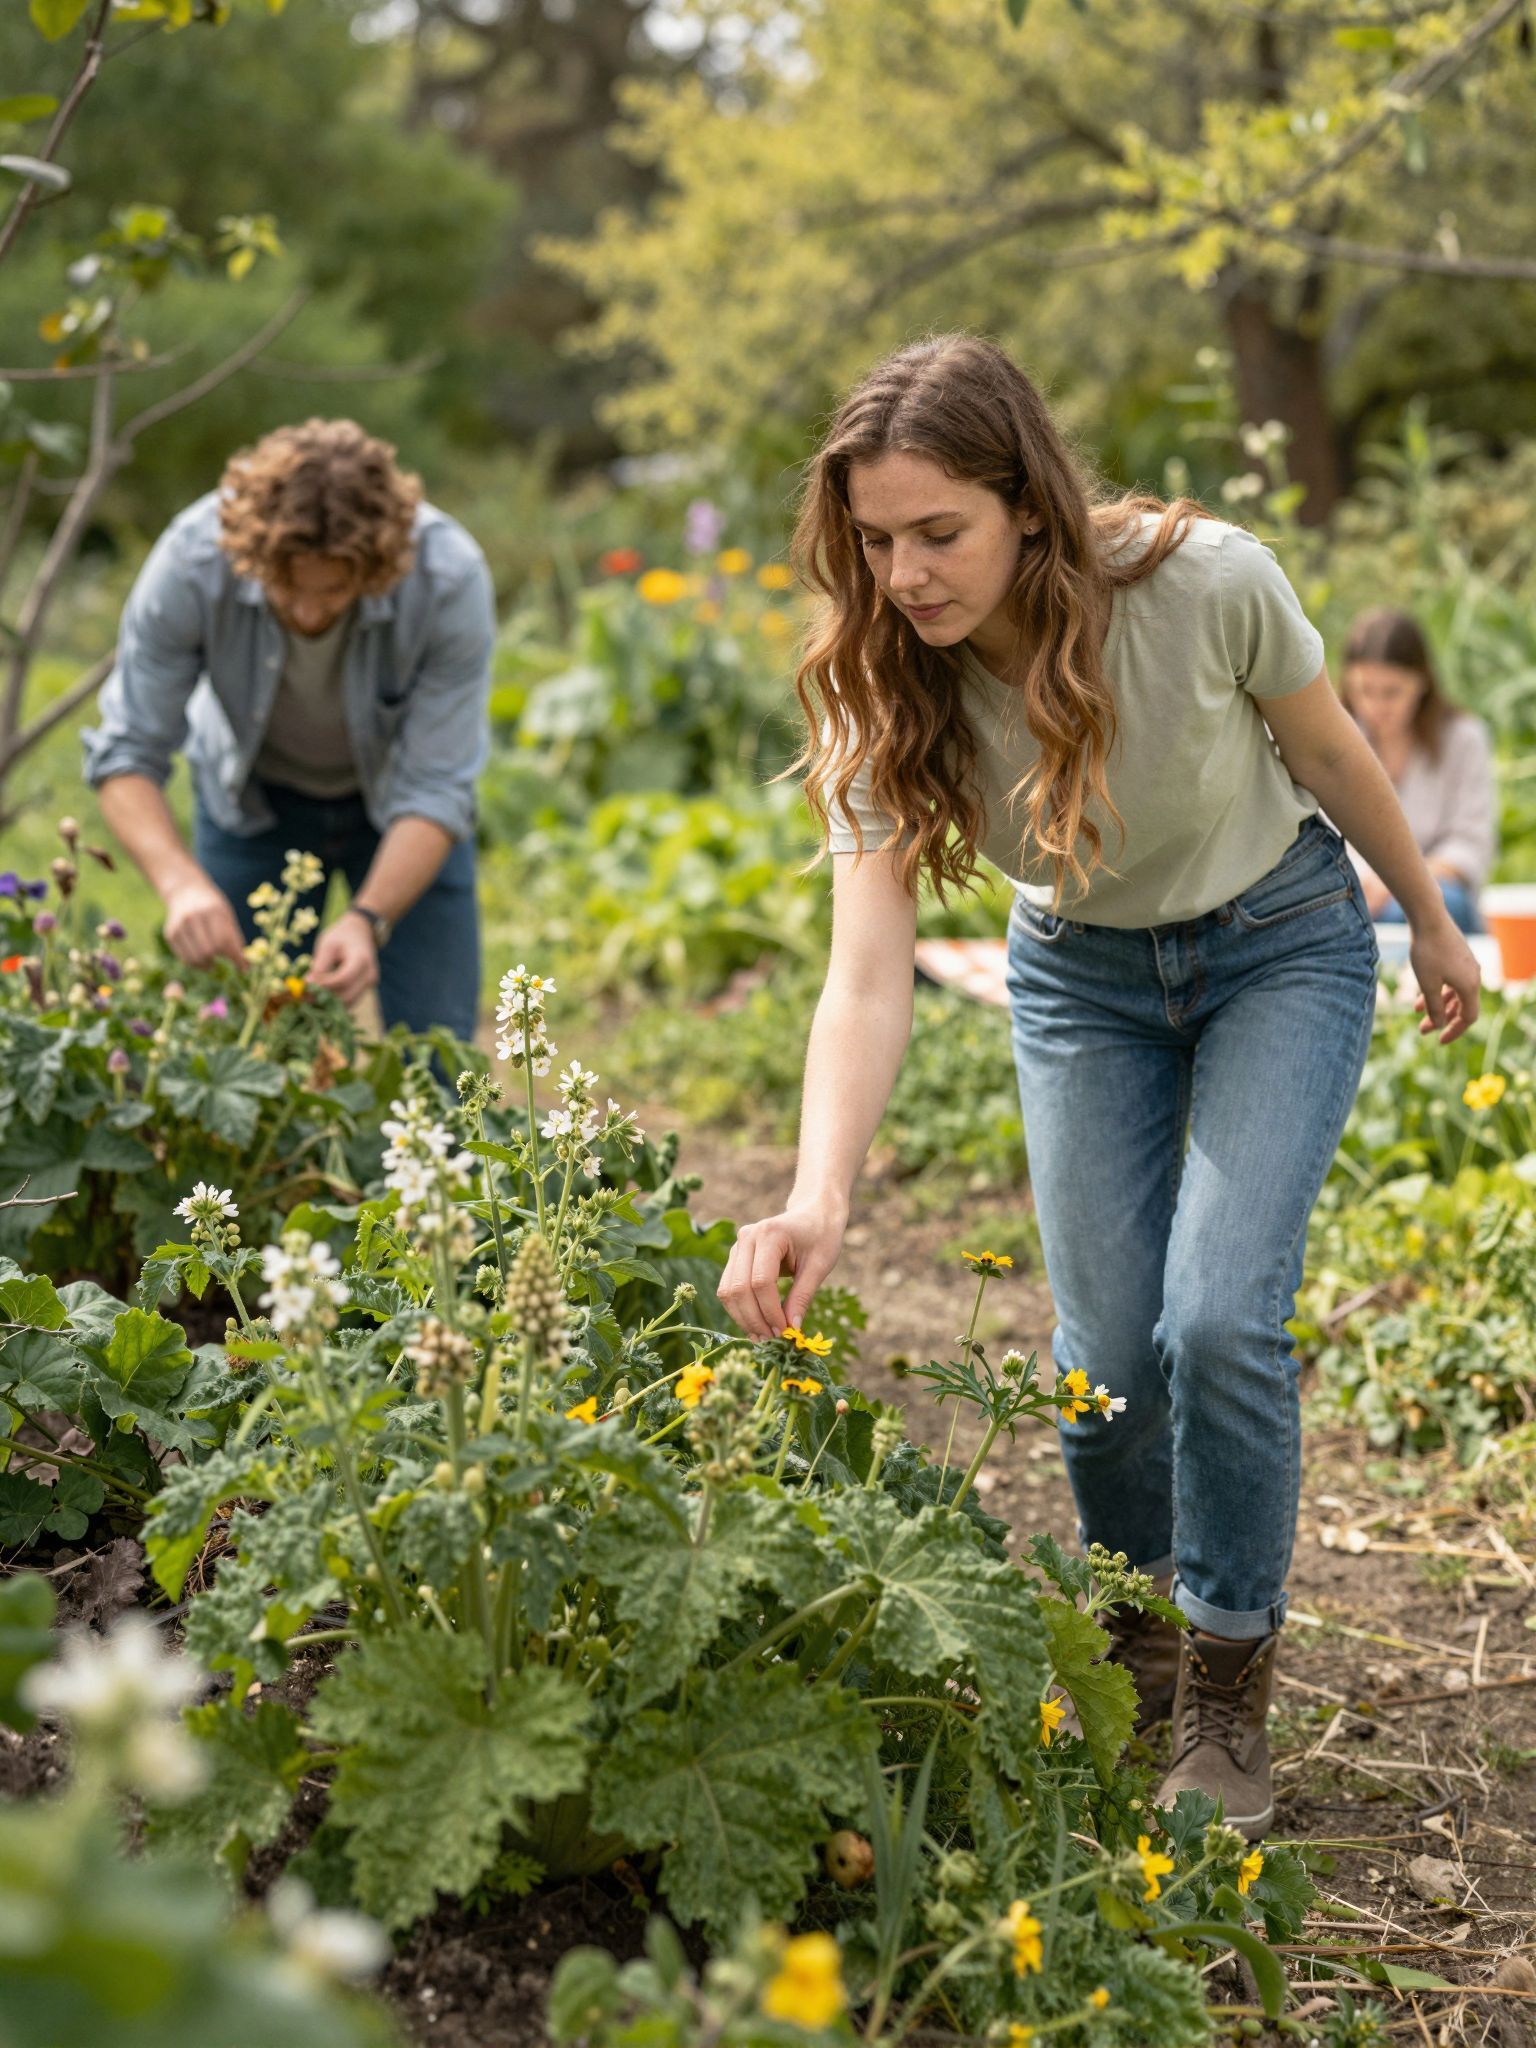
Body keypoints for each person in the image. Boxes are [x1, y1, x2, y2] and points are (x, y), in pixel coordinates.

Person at [716, 336, 1479, 1841]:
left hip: (1283, 945)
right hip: (1080, 979)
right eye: (875, 541)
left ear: (1029, 505)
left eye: (940, 532)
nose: (907, 574)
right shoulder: (882, 679)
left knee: (1219, 1315)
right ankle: (1131, 1628)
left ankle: (1225, 1677)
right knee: (1103, 1361)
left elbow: (1327, 749)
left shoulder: (1205, 585)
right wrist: (821, 1193)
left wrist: (1434, 918)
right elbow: (866, 973)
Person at [82, 418, 494, 1042]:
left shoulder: (448, 578)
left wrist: (368, 920)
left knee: (439, 1054)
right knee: (244, 1044)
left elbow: (438, 785)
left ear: (376, 569)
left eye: (332, 593)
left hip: (401, 813)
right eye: (285, 589)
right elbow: (126, 752)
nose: (306, 612)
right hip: (254, 808)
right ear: (252, 560)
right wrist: (181, 885)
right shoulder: (192, 563)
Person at [1337, 607, 1496, 934]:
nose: (1376, 707)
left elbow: (1470, 844)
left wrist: (1400, 881)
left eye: (1392, 692)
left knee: (1438, 906)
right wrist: (1370, 879)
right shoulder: (1337, 740)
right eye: (1365, 690)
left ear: (1421, 682)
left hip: (1437, 890)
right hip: (1354, 889)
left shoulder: (1463, 738)